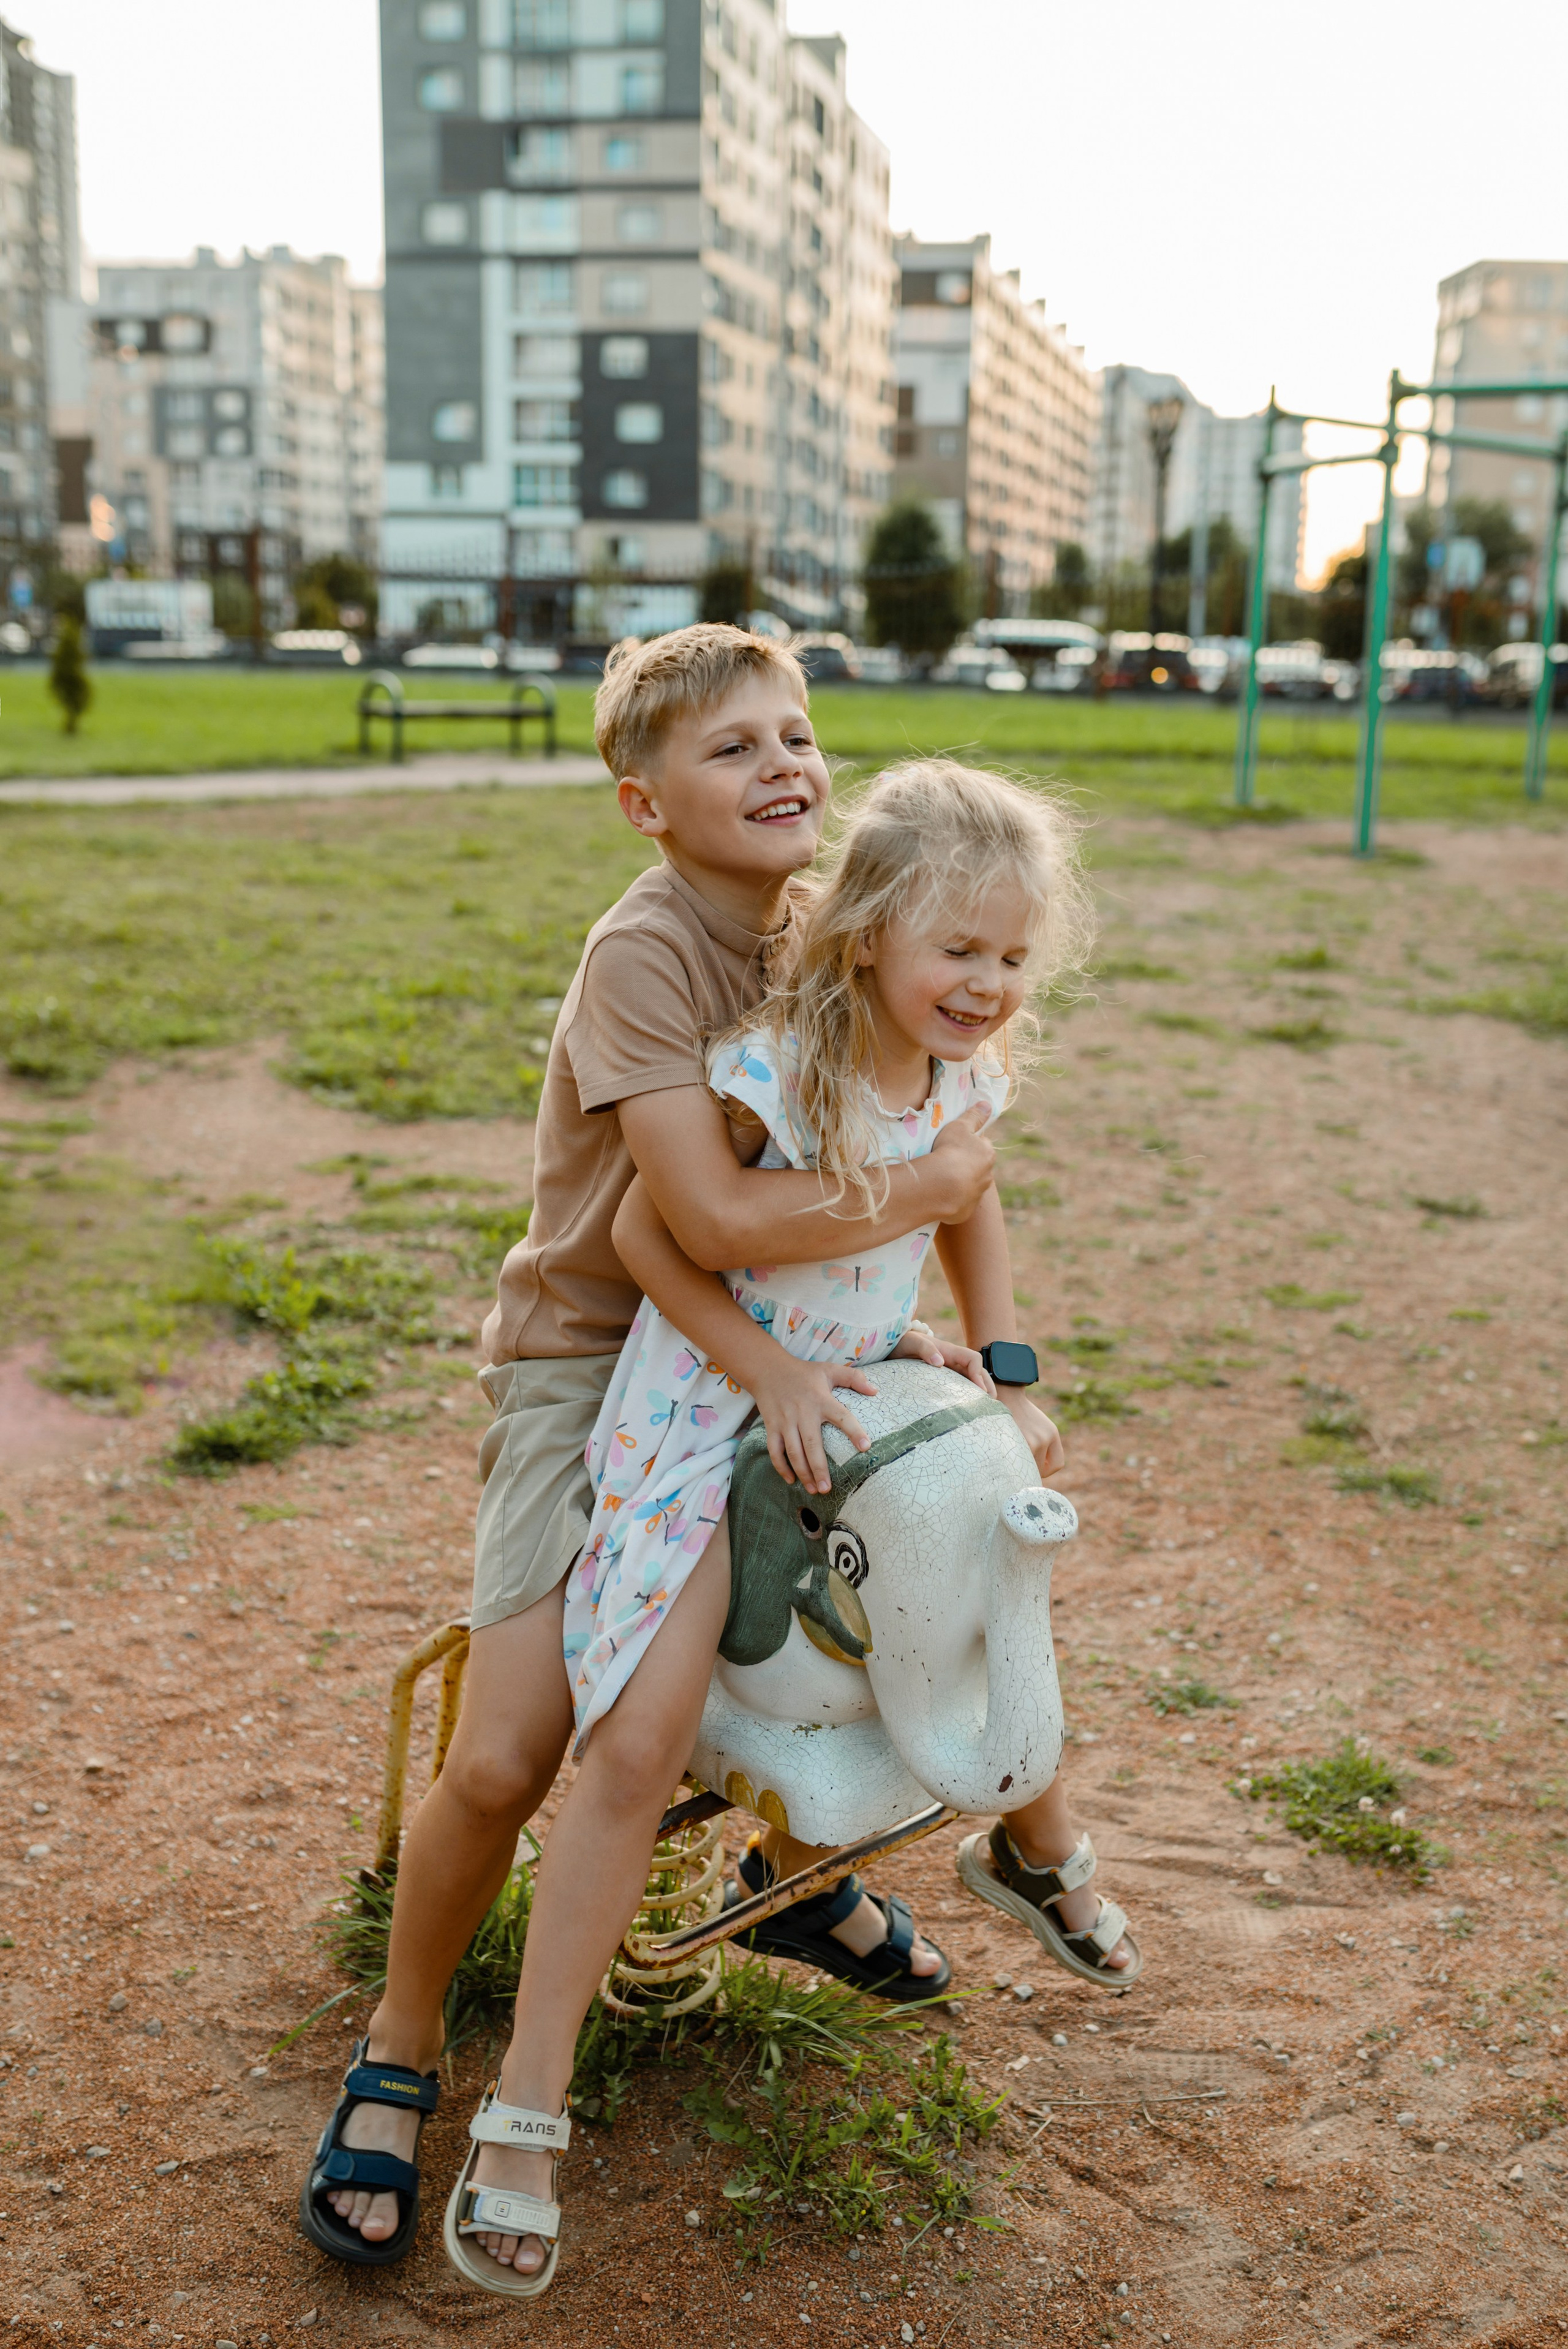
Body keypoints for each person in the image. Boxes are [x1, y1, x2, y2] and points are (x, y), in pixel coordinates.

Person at [299, 628, 998, 2274]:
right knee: (508, 1747)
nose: (784, 769)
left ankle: (797, 1863)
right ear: (644, 800)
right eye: (733, 748)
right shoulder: (648, 953)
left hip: (777, 1328)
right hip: (597, 1355)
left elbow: (943, 1095)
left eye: (798, 734)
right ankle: (403, 2041)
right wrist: (922, 1196)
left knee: (910, 1545)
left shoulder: (835, 923)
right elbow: (697, 1215)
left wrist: (909, 1302)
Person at [443, 760, 1142, 2299]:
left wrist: (997, 1355)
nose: (987, 984)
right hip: (709, 1397)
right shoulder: (780, 1069)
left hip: (847, 1374)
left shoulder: (967, 1067)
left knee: (981, 1552)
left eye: (1014, 957)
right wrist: (766, 1364)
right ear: (872, 933)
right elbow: (644, 1233)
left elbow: (968, 1192)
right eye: (959, 951)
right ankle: (526, 2103)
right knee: (630, 1749)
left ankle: (1032, 1843)